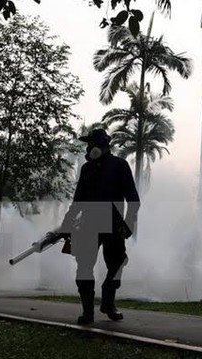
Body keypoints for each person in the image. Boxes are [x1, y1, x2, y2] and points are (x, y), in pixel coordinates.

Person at [60, 129, 140, 324]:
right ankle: (88, 313)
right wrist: (67, 223)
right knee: (84, 269)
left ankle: (108, 301)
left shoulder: (120, 166)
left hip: (113, 224)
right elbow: (78, 200)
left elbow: (133, 200)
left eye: (91, 143)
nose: (88, 148)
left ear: (102, 144)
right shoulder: (87, 169)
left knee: (118, 262)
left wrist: (128, 224)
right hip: (88, 224)